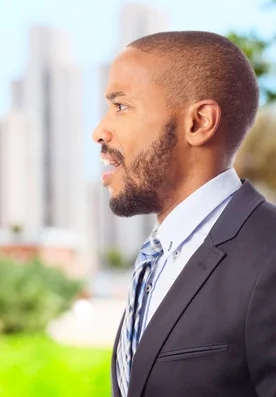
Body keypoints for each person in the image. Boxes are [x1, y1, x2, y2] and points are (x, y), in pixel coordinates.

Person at [93, 30, 276, 397]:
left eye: (121, 105)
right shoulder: (156, 257)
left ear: (198, 123)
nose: (100, 131)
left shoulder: (270, 255)